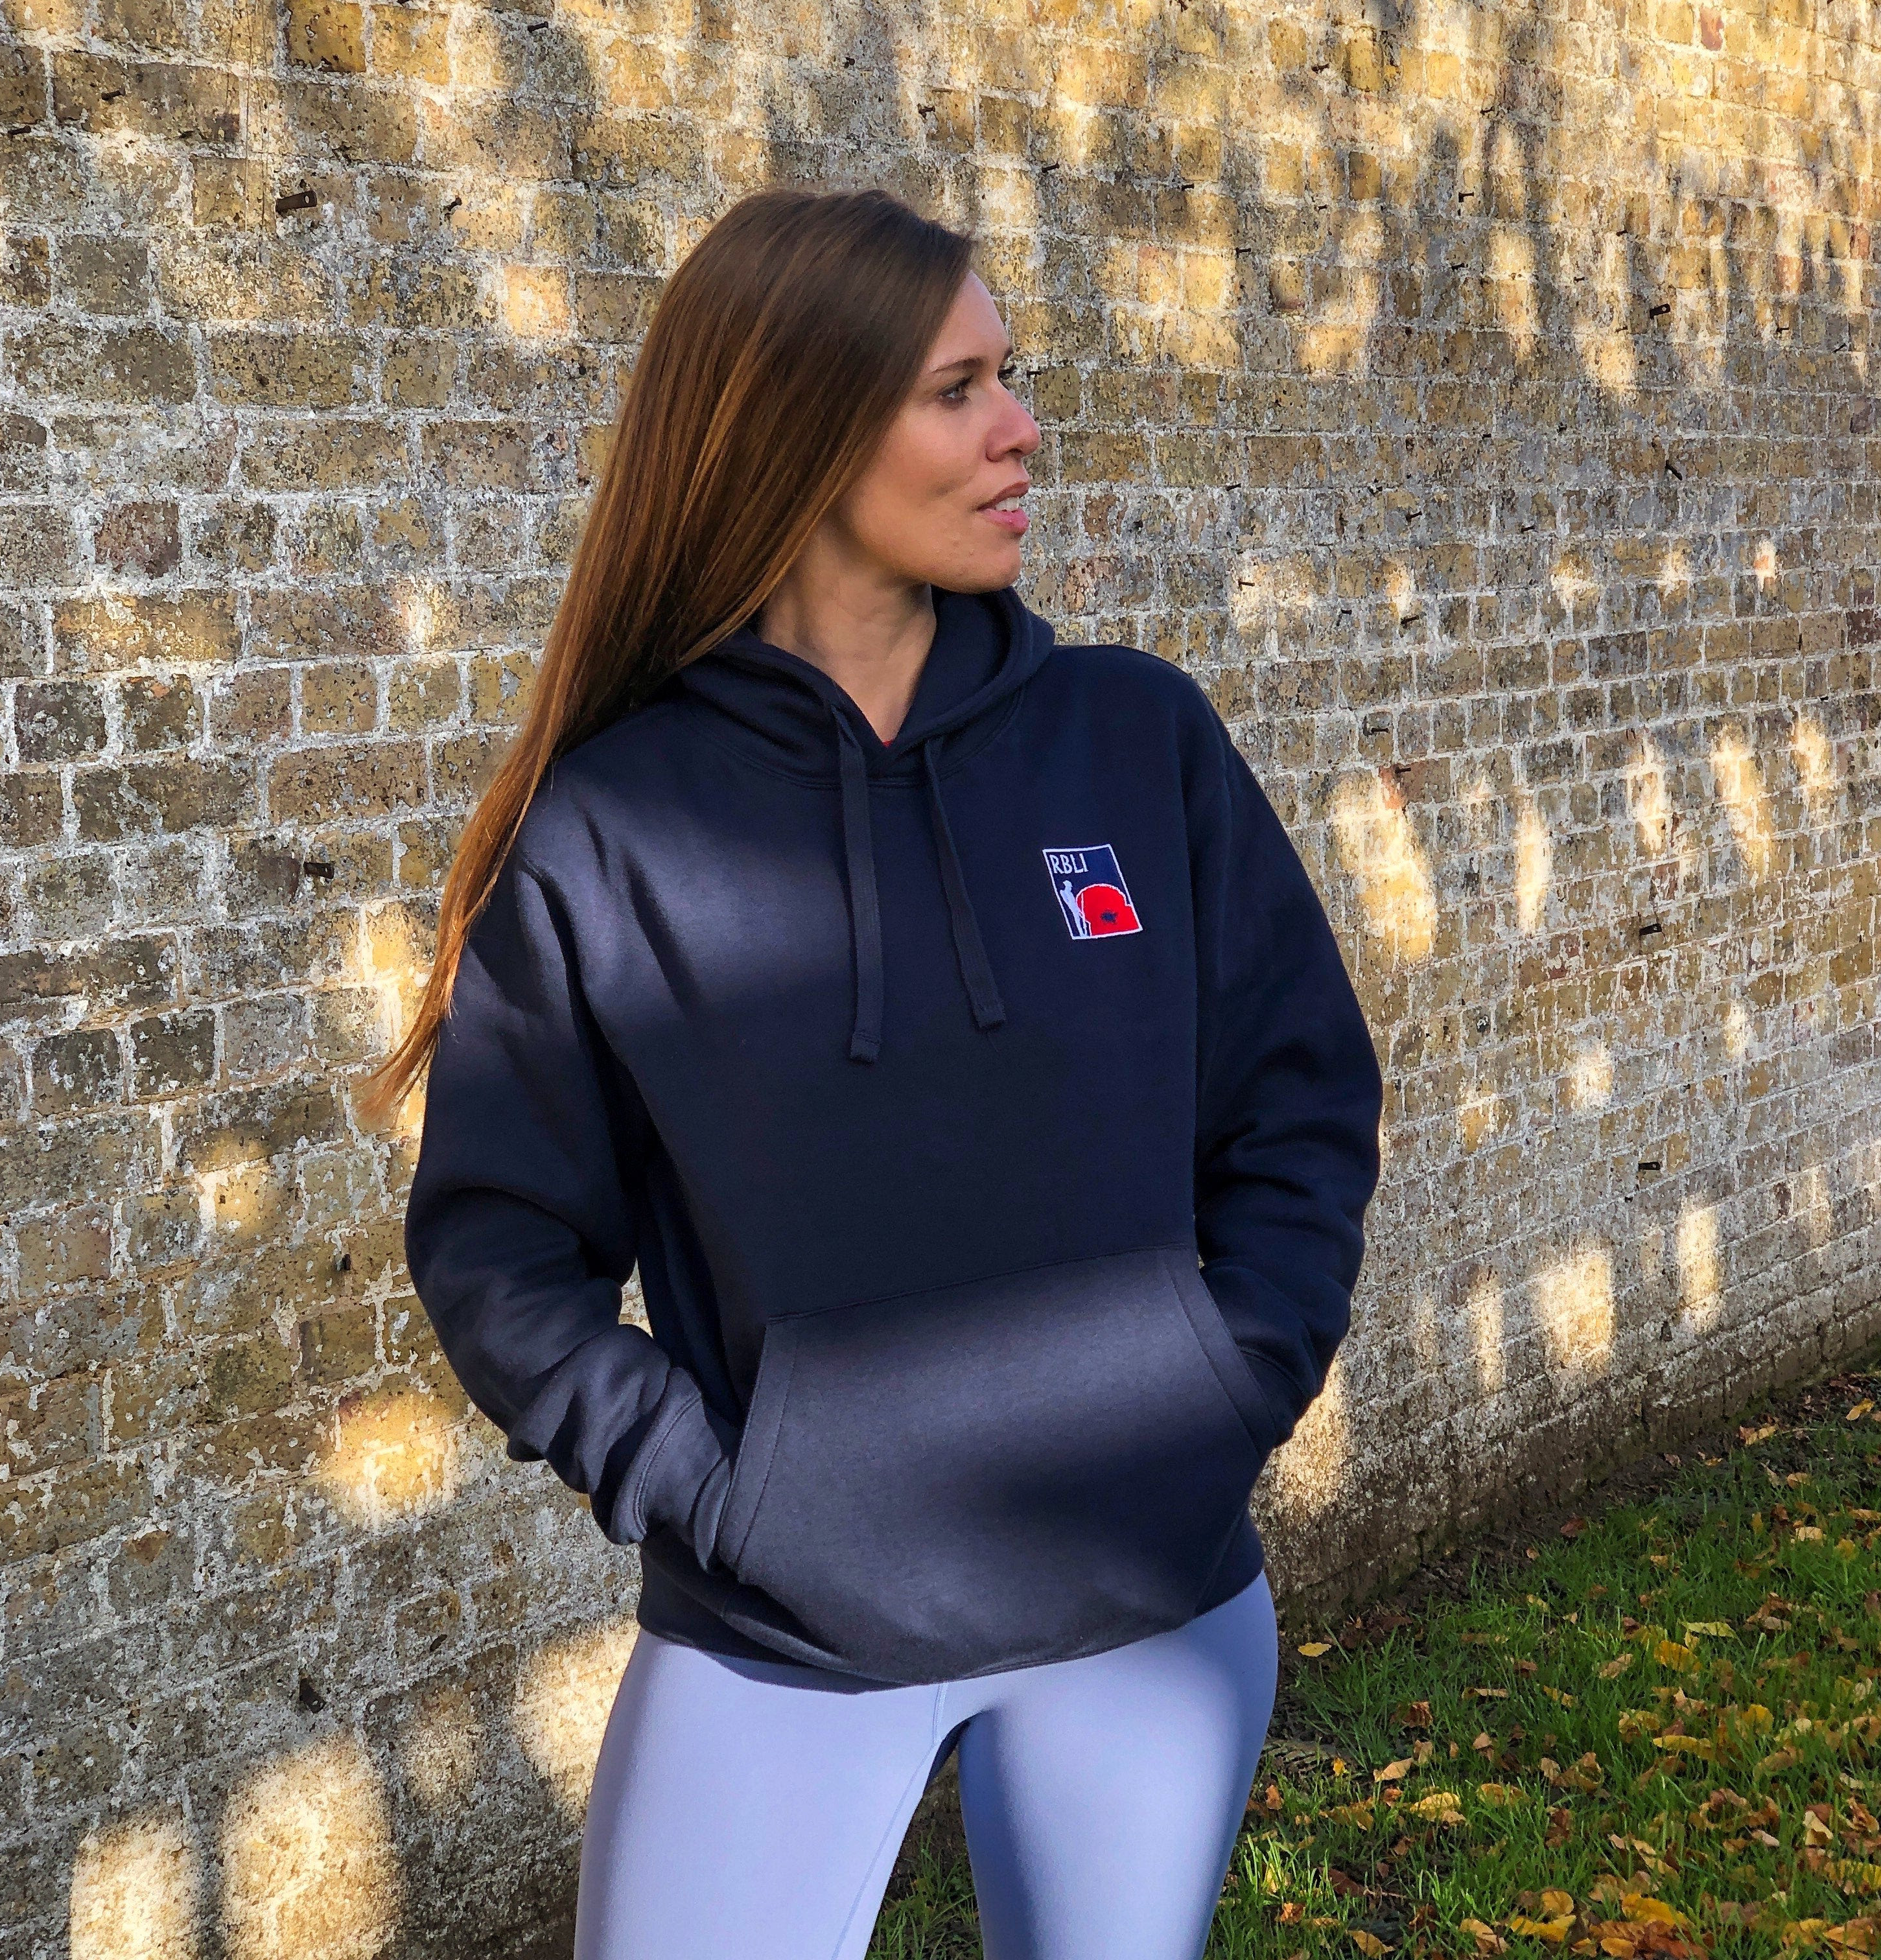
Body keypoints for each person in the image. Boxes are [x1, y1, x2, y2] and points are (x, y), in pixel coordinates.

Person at [362, 185, 1384, 1960]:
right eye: (956, 389)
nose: (1021, 427)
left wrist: (1225, 1383)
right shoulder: (614, 828)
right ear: (799, 431)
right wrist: (720, 1495)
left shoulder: (1135, 738)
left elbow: (1298, 1100)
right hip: (785, 1635)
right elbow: (499, 1247)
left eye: (1011, 375)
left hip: (1148, 1601)